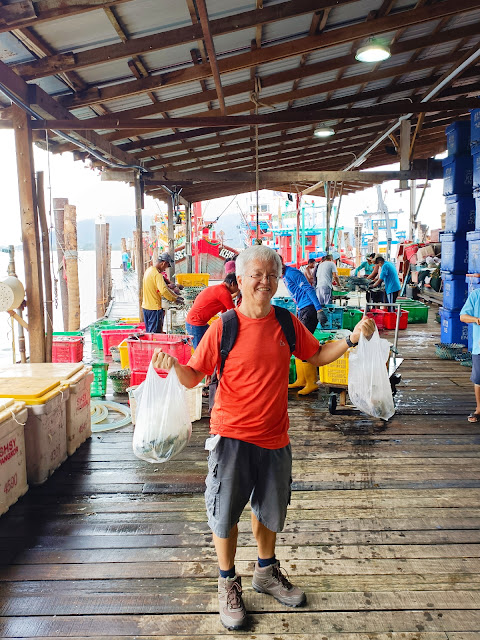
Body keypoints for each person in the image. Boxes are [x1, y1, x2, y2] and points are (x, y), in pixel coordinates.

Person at [151, 245, 374, 631]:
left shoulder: (286, 322)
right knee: (225, 512)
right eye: (257, 274)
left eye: (272, 275)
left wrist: (352, 339)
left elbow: (318, 354)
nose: (265, 281)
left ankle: (266, 573)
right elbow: (193, 376)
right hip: (232, 436)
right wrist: (171, 365)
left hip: (275, 437)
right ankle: (227, 582)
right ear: (240, 279)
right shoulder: (224, 326)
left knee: (269, 510)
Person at [282, 259, 323, 395]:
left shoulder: (292, 273)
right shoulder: (284, 275)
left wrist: (319, 310)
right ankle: (302, 379)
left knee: (303, 344)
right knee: (297, 344)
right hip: (302, 309)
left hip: (309, 309)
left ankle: (311, 382)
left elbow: (308, 289)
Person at [186, 274, 239, 349]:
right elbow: (234, 312)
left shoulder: (219, 289)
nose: (239, 289)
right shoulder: (224, 293)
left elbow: (224, 312)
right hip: (195, 323)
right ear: (233, 284)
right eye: (239, 286)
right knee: (201, 351)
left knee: (210, 345)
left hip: (199, 322)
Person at [141, 253, 181, 334]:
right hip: (154, 309)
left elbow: (164, 286)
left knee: (149, 333)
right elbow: (164, 291)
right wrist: (175, 299)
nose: (165, 269)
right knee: (155, 334)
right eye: (166, 266)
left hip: (145, 307)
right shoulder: (157, 275)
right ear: (164, 263)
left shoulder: (149, 270)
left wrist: (174, 295)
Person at [460, 290, 480, 422]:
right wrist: (476, 319)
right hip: (479, 346)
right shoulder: (476, 295)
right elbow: (463, 316)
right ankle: (479, 409)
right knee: (478, 378)